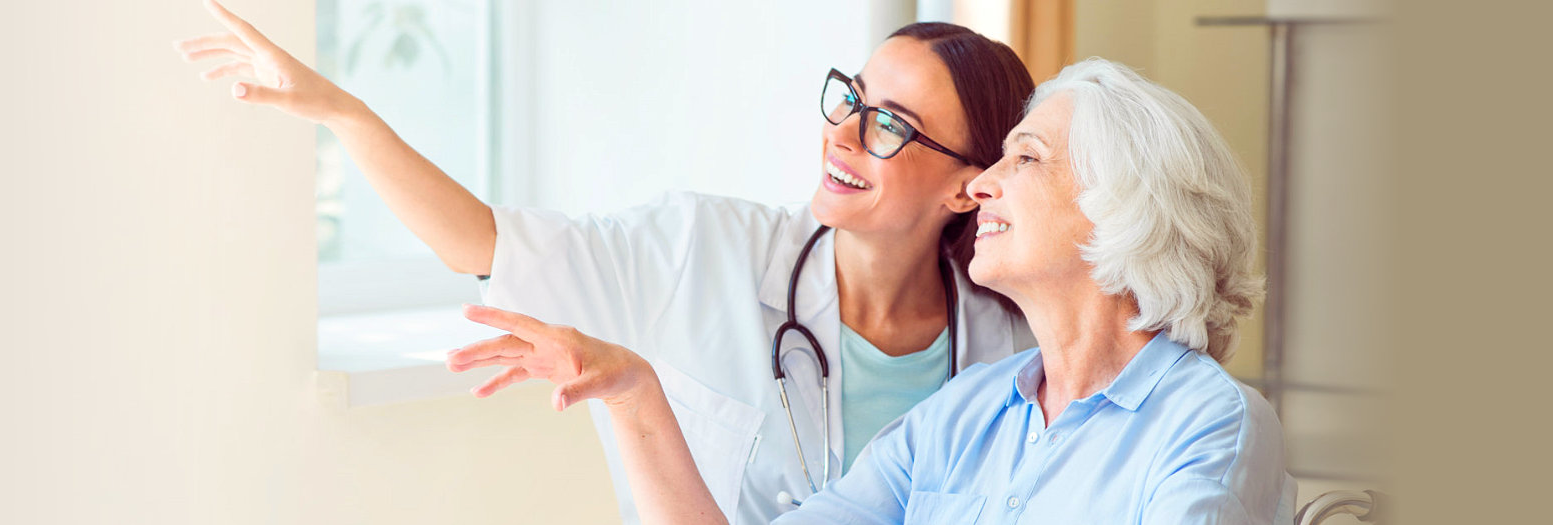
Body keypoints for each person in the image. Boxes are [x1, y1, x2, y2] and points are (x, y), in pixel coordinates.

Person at [177, 3, 1035, 522]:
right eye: (850, 97)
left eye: (889, 124)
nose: (842, 133)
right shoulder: (704, 248)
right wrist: (343, 112)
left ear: (969, 187)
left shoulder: (1013, 344)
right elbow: (480, 241)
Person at [447, 58, 1293, 524]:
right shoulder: (964, 414)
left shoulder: (1207, 424)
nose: (986, 184)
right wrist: (637, 393)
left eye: (1026, 157)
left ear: (1124, 213)